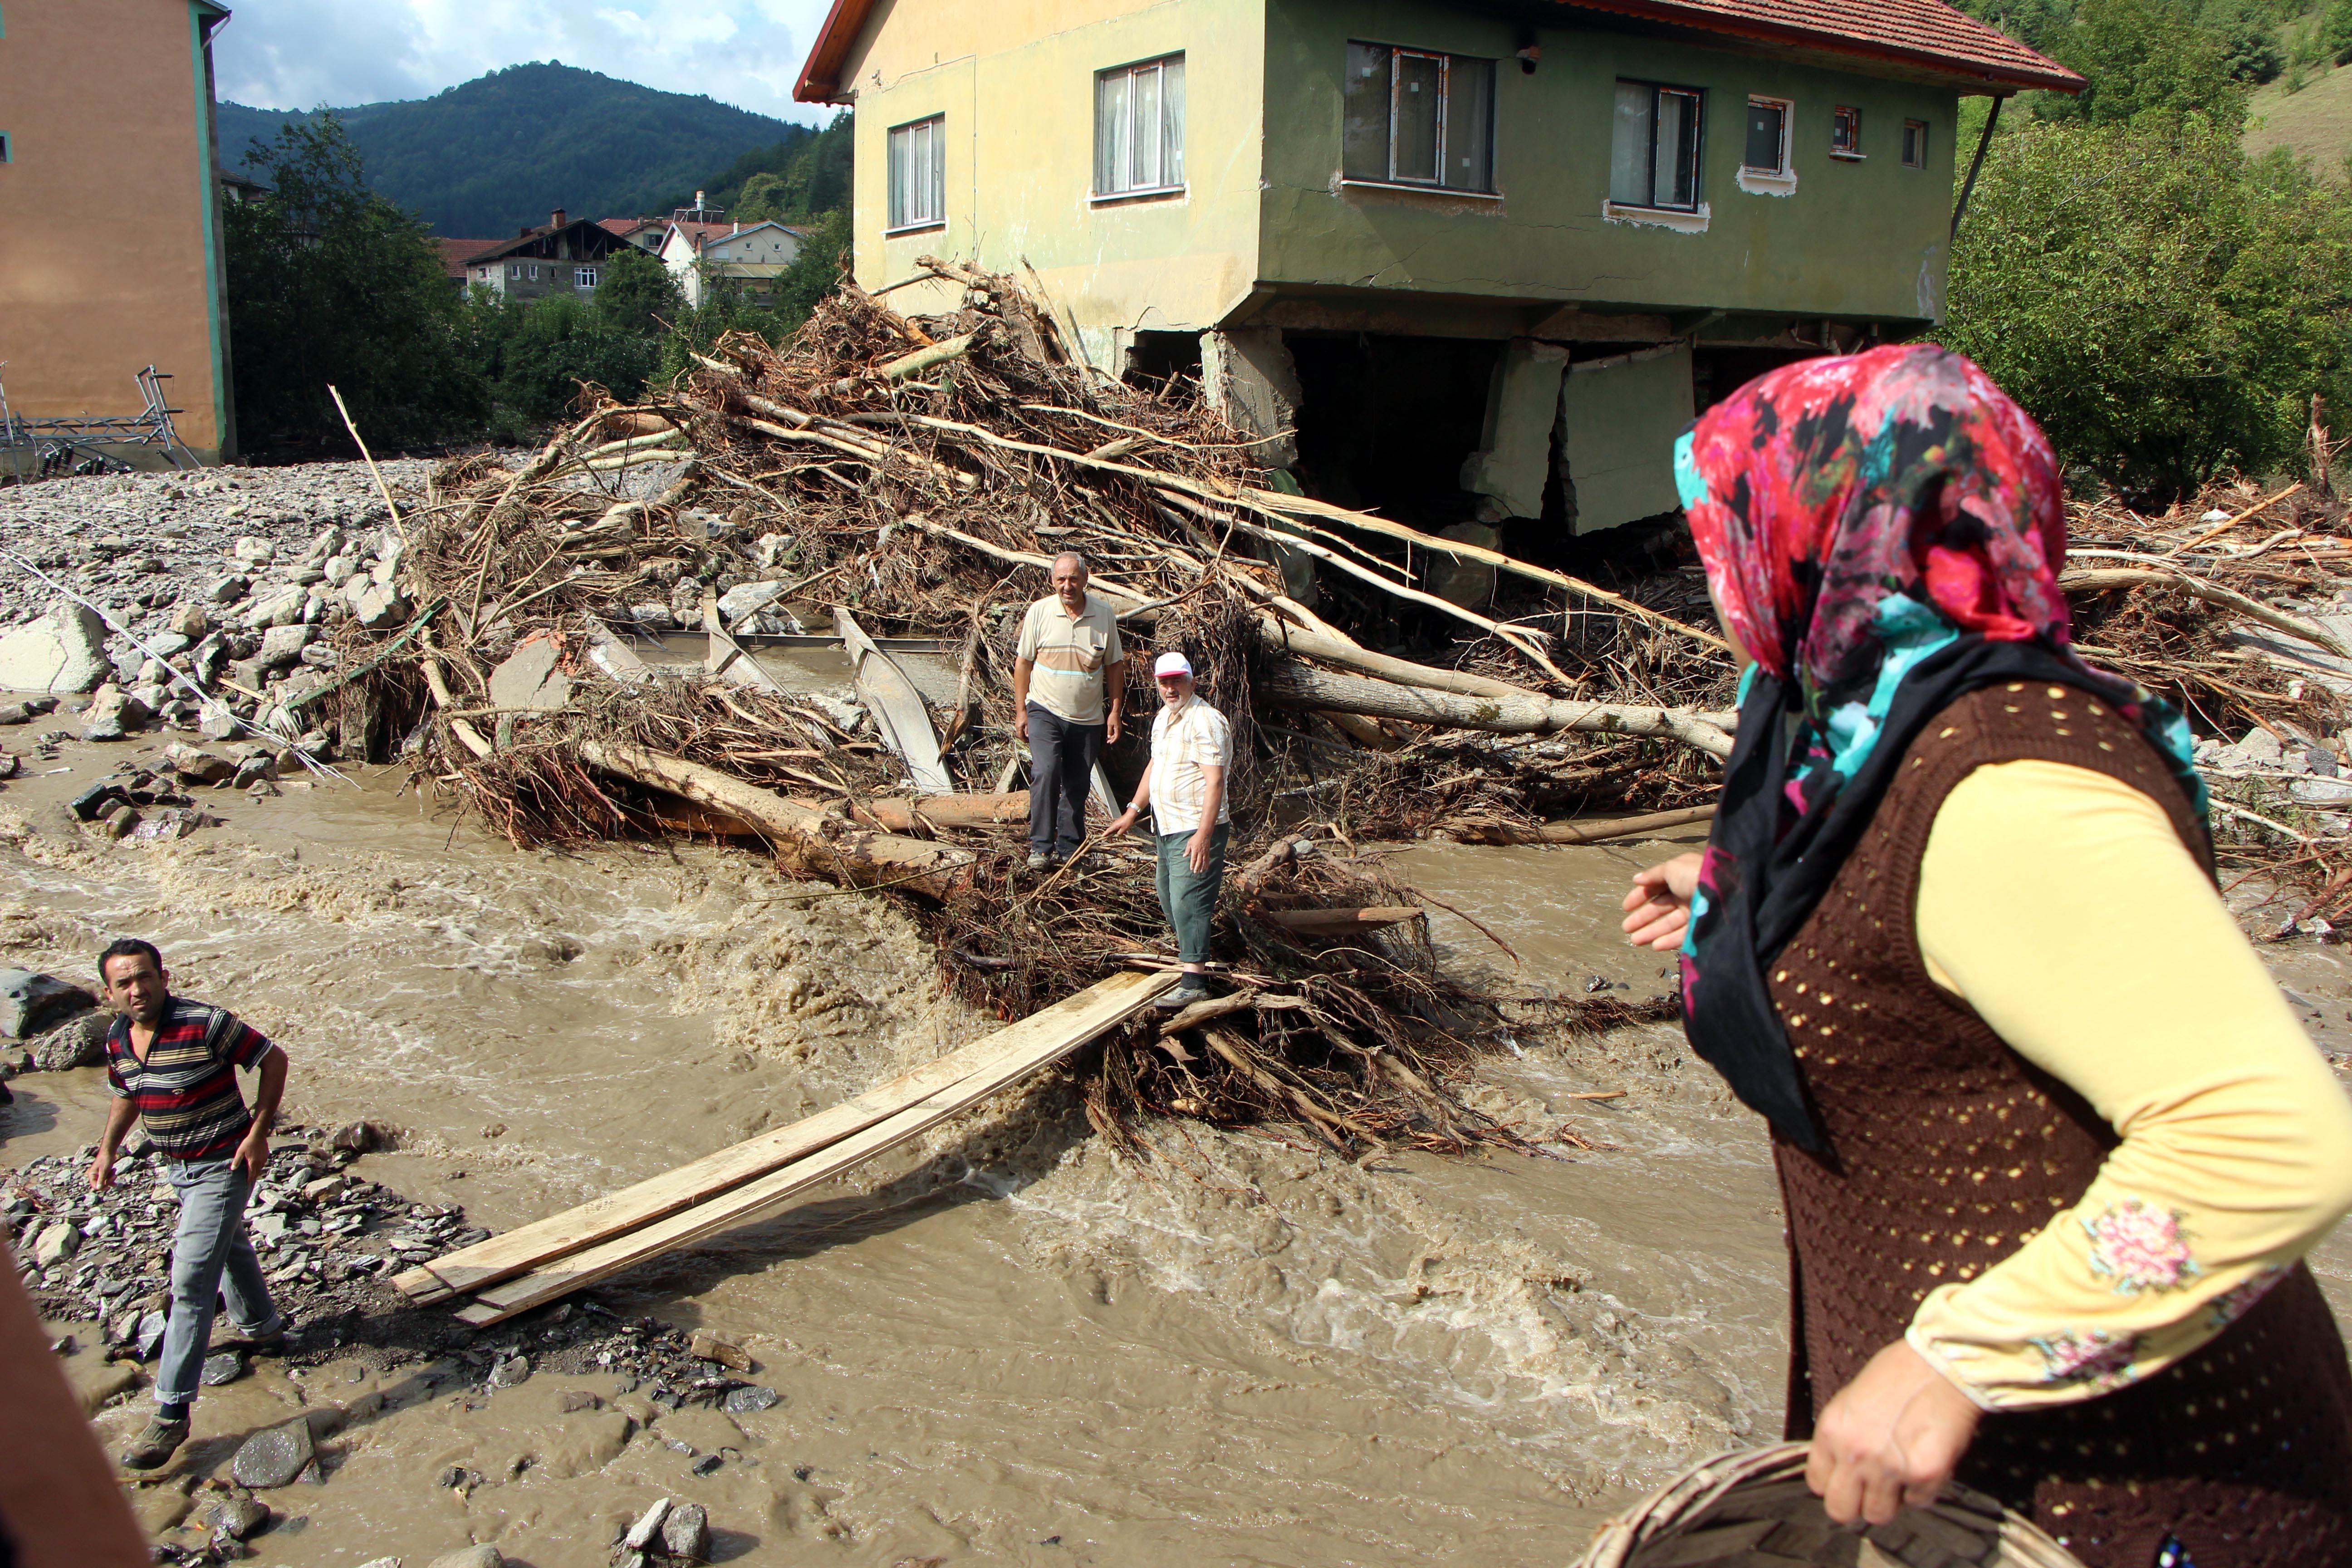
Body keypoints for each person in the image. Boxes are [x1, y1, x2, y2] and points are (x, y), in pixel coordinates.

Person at [1620, 345, 2352, 1567]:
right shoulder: (1873, 742)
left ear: (1831, 526)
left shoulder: (2003, 780)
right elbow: (1933, 903)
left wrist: (1957, 1360)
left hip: (2133, 1503)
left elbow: (2275, 1138)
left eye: (1729, 526)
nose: (1718, 569)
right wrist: (1729, 888)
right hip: (1977, 1485)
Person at [87, 938, 289, 1472]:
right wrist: (108, 1150)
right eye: (125, 983)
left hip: (225, 1164)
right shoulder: (117, 1039)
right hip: (176, 1167)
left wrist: (260, 1133)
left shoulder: (205, 1023)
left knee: (191, 1283)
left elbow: (273, 1060)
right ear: (108, 993)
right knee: (227, 1245)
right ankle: (264, 1329)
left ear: (164, 976)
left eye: (145, 977)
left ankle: (172, 1412)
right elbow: (127, 1093)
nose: (137, 989)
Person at [1108, 652, 1229, 1010]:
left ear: (1192, 681)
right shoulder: (1164, 719)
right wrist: (1132, 811)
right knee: (1167, 893)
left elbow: (1216, 781)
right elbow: (1155, 766)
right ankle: (1193, 951)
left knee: (1188, 900)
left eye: (1177, 680)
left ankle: (1194, 982)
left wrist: (1204, 835)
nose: (1170, 688)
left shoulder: (1206, 721)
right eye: (1164, 682)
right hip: (1167, 825)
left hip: (1194, 826)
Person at [1012, 550, 1127, 871]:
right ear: (1053, 582)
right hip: (1044, 709)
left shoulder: (1103, 615)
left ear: (1085, 580)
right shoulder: (1040, 613)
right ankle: (1041, 847)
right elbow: (1024, 664)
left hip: (1088, 717)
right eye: (1061, 579)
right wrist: (1021, 710)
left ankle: (1070, 848)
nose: (1067, 586)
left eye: (1074, 579)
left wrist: (1115, 711)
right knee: (1046, 772)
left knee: (1078, 782)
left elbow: (1115, 666)